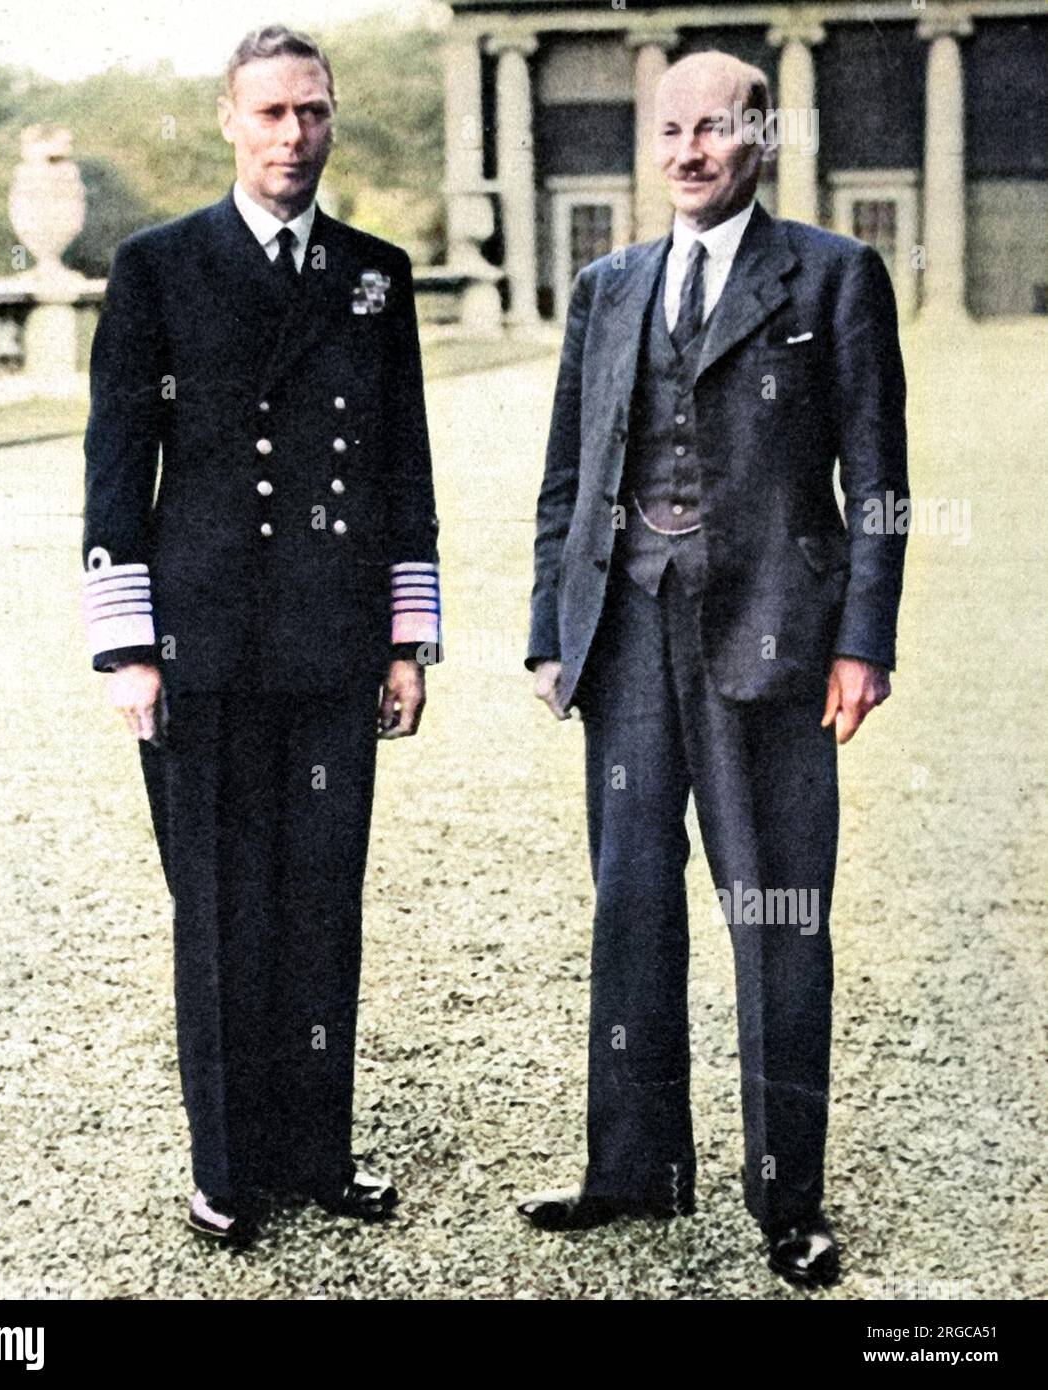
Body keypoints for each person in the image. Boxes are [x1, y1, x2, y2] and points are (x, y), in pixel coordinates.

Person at [518, 50, 908, 1289]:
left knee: (777, 917)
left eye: (716, 130)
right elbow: (568, 476)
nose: (687, 151)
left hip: (775, 640)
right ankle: (633, 1166)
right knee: (630, 902)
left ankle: (788, 1196)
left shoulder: (835, 276)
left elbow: (880, 486)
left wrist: (864, 640)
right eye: (669, 130)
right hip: (627, 634)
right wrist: (550, 625)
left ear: (763, 140)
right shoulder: (608, 284)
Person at [81, 24, 442, 1245]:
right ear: (230, 121)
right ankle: (228, 1169)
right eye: (273, 113)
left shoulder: (374, 271)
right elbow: (118, 465)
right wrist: (128, 645)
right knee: (223, 909)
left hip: (334, 648)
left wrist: (407, 637)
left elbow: (403, 463)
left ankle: (320, 1151)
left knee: (322, 903)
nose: (296, 135)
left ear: (334, 121)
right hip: (206, 647)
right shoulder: (160, 266)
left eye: (315, 112)